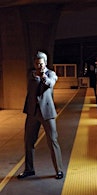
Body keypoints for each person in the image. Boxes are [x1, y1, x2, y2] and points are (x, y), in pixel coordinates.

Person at [17, 51, 64, 180]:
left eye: (41, 64)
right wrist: (37, 76)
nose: (39, 67)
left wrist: (43, 76)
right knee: (28, 142)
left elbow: (50, 84)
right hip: (32, 112)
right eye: (37, 64)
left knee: (53, 141)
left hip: (47, 113)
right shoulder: (31, 74)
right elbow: (32, 84)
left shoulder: (51, 74)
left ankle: (59, 170)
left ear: (46, 63)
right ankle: (29, 169)